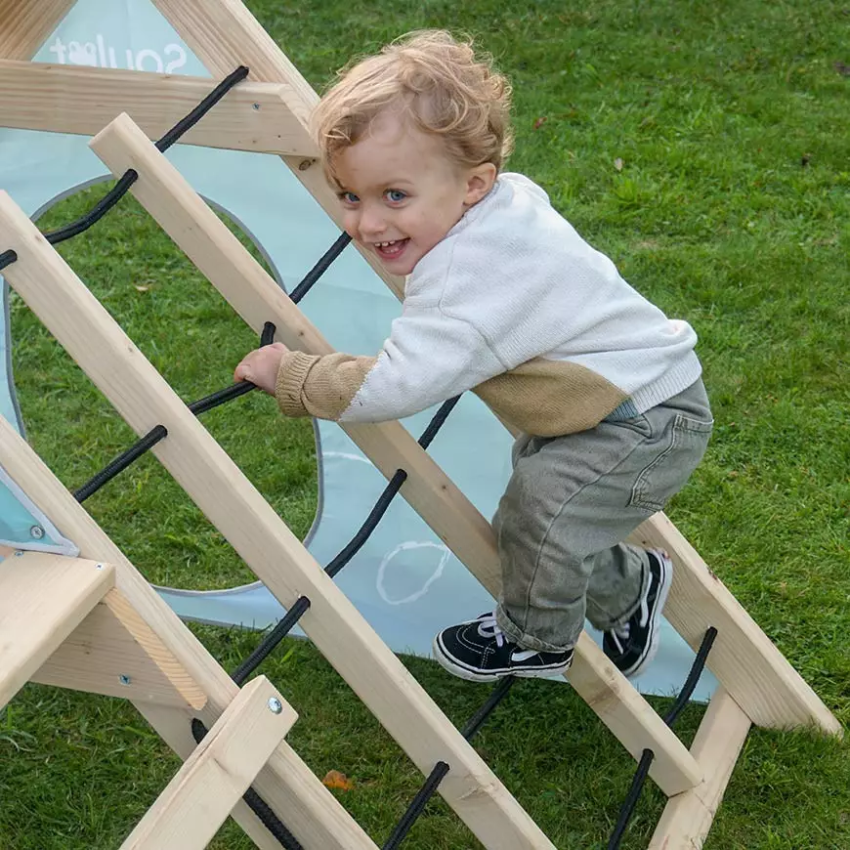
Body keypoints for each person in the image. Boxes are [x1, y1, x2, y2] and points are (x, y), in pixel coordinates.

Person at [234, 30, 713, 683]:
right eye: (351, 196)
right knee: (541, 517)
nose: (366, 225)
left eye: (393, 196)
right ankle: (627, 588)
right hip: (620, 406)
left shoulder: (465, 284)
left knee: (543, 508)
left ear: (471, 184)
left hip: (643, 423)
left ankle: (537, 637)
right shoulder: (504, 203)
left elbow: (391, 389)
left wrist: (290, 373)